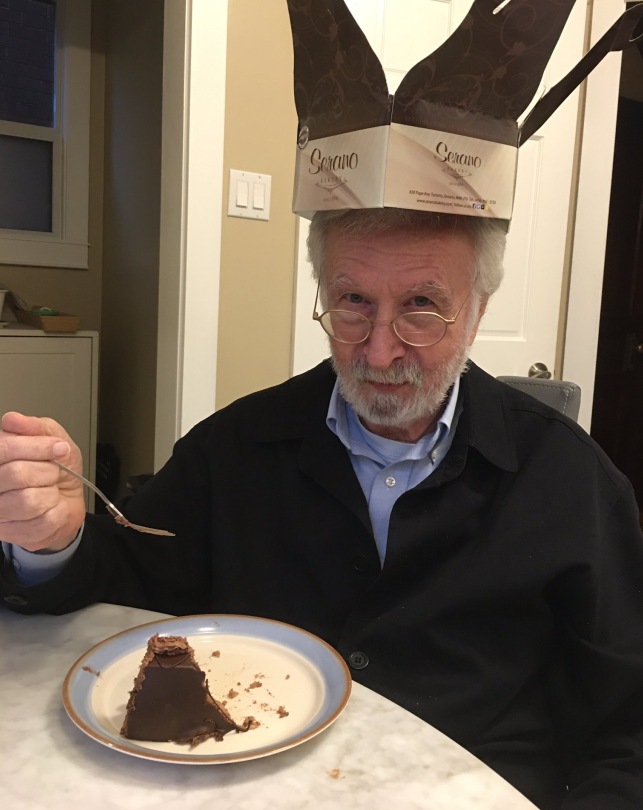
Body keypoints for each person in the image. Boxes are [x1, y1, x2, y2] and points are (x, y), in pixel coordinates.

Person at [2, 208, 643, 810]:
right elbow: (127, 577)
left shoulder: (569, 480)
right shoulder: (233, 447)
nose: (380, 351)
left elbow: (628, 724)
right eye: (354, 300)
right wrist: (49, 540)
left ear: (477, 312)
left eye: (421, 305)